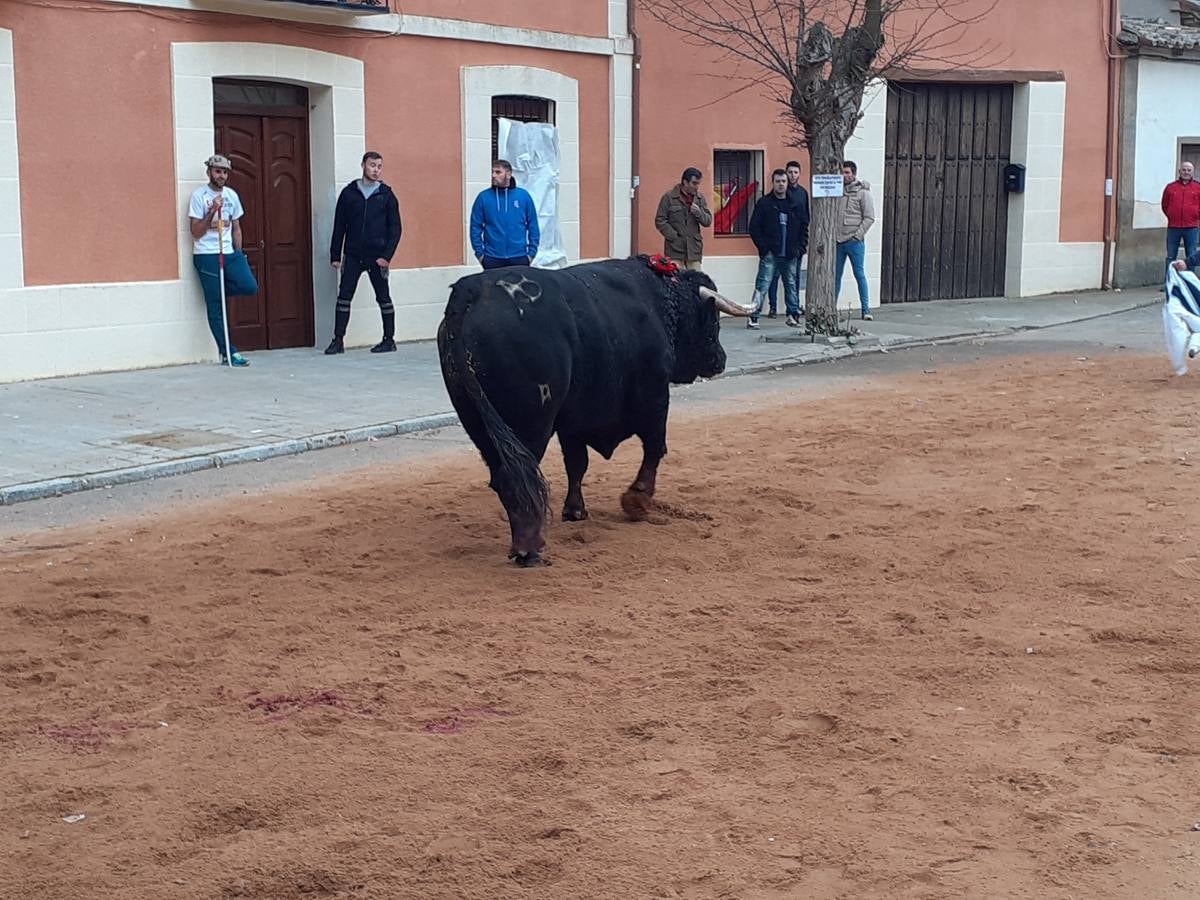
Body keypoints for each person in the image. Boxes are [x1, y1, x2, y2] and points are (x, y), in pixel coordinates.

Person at [325, 151, 403, 355]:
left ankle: (389, 339)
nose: (376, 170)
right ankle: (338, 340)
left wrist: (386, 257)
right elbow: (339, 225)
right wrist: (335, 254)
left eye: (379, 166)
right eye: (372, 166)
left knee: (383, 297)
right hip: (352, 255)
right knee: (344, 296)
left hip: (377, 257)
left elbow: (395, 228)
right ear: (363, 166)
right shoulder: (349, 193)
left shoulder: (386, 195)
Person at [188, 155, 259, 367]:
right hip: (207, 254)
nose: (222, 175)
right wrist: (212, 211)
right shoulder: (199, 196)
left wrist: (239, 254)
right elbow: (196, 232)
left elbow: (236, 227)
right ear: (209, 172)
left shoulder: (232, 196)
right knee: (216, 306)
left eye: (225, 172)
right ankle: (228, 352)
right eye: (217, 171)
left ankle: (215, 291)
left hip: (228, 252)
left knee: (250, 286)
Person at [746, 169, 805, 329]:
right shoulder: (764, 203)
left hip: (791, 253)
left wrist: (800, 248)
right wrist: (764, 249)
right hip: (771, 254)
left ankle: (793, 316)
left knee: (791, 285)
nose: (781, 184)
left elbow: (803, 227)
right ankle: (753, 316)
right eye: (778, 181)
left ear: (788, 183)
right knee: (762, 285)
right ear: (773, 182)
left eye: (784, 181)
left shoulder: (795, 204)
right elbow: (754, 228)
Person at [469, 159, 539, 270]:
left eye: (498, 172)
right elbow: (475, 227)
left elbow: (533, 225)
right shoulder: (483, 197)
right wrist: (480, 254)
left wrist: (531, 254)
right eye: (492, 172)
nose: (493, 175)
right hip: (492, 258)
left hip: (519, 257)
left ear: (509, 174)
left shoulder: (523, 196)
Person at [766, 159, 811, 317]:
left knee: (794, 278)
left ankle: (794, 307)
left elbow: (805, 220)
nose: (792, 176)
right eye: (790, 172)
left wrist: (802, 245)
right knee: (773, 277)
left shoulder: (803, 194)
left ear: (799, 174)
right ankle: (773, 307)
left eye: (795, 172)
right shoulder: (779, 195)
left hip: (794, 246)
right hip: (777, 246)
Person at [835, 160, 876, 321]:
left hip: (854, 241)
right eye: (843, 172)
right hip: (838, 240)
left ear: (853, 174)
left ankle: (866, 309)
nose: (844, 176)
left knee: (859, 274)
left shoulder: (863, 193)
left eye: (847, 172)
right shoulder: (837, 191)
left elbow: (869, 217)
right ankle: (832, 308)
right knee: (836, 276)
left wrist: (857, 235)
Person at [655, 167, 713, 271]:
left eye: (698, 183)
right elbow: (660, 220)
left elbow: (708, 221)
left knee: (695, 281)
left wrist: (699, 213)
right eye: (694, 183)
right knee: (676, 281)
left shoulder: (700, 199)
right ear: (685, 182)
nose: (697, 187)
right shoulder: (669, 197)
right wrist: (673, 236)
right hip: (675, 250)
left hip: (694, 250)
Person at [1162, 161, 1200, 281]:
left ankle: (1190, 281)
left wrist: (1195, 215)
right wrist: (1171, 215)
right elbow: (1165, 205)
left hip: (1192, 227)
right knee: (1171, 256)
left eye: (1189, 170)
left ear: (1192, 172)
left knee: (1192, 256)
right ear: (1179, 171)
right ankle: (1170, 281)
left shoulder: (1198, 187)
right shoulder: (1170, 187)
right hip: (1174, 227)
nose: (1186, 172)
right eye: (1184, 170)